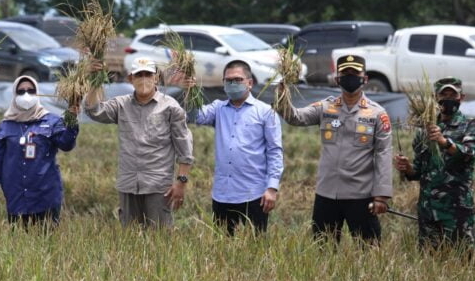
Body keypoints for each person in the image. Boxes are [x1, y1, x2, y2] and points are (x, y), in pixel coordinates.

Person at [278, 54, 392, 244]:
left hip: (360, 195)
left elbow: (384, 154)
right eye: (345, 73)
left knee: (369, 250)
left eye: (354, 73)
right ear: (337, 78)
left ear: (365, 78)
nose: (350, 77)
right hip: (327, 193)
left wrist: (381, 196)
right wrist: (282, 94)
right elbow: (295, 117)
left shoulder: (377, 114)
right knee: (323, 248)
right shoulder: (325, 107)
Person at [84, 57, 194, 227]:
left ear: (156, 77)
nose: (144, 79)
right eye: (139, 75)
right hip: (128, 184)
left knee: (159, 238)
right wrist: (94, 79)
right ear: (130, 79)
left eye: (148, 74)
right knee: (130, 237)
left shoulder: (170, 107)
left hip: (158, 186)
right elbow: (94, 111)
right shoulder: (121, 105)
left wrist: (181, 182)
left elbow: (184, 146)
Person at [193, 60, 283, 234]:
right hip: (222, 194)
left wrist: (271, 188)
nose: (232, 84)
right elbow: (195, 116)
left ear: (250, 83)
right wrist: (191, 91)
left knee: (254, 248)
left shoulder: (265, 112)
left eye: (238, 79)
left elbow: (275, 151)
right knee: (222, 248)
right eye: (228, 80)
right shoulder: (218, 108)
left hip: (254, 194)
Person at [394, 77, 475, 250]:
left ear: (461, 97)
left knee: (460, 260)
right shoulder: (424, 132)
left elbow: (469, 154)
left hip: (456, 210)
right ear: (434, 97)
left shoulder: (469, 125)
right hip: (428, 210)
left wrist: (443, 141)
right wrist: (406, 167)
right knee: (429, 262)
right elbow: (418, 171)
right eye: (443, 94)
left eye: (453, 95)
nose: (448, 99)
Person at [0, 76, 78, 226]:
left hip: (45, 197)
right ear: (15, 96)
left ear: (38, 93)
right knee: (20, 246)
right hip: (16, 199)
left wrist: (72, 120)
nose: (26, 95)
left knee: (47, 243)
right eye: (21, 92)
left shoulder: (51, 121)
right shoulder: (5, 126)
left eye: (31, 90)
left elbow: (66, 144)